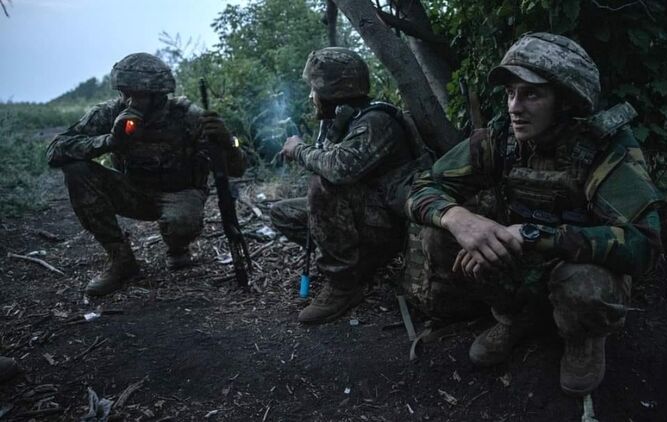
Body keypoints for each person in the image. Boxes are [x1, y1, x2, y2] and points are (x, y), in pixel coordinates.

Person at [405, 32, 662, 395]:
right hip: (522, 262)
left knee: (585, 285)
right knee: (440, 233)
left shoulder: (605, 148)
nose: (515, 106)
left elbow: (643, 244)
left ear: (566, 100)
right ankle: (515, 317)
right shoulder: (500, 139)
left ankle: (583, 338)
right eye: (511, 93)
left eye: (531, 94)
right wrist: (459, 219)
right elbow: (421, 187)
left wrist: (534, 235)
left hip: (575, 266)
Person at [47, 53, 245, 297]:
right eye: (125, 93)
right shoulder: (111, 113)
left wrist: (228, 142)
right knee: (77, 170)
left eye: (138, 95)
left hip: (179, 193)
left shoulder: (187, 116)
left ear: (158, 95)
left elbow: (237, 169)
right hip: (133, 191)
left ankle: (178, 247)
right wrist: (110, 141)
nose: (130, 101)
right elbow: (55, 151)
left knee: (181, 222)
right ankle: (121, 260)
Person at [272, 47, 422, 324]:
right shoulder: (344, 120)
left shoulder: (375, 121)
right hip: (367, 215)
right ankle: (359, 263)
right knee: (283, 213)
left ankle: (343, 284)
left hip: (392, 223)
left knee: (323, 185)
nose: (311, 96)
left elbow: (339, 169)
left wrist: (299, 150)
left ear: (332, 91)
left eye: (314, 89)